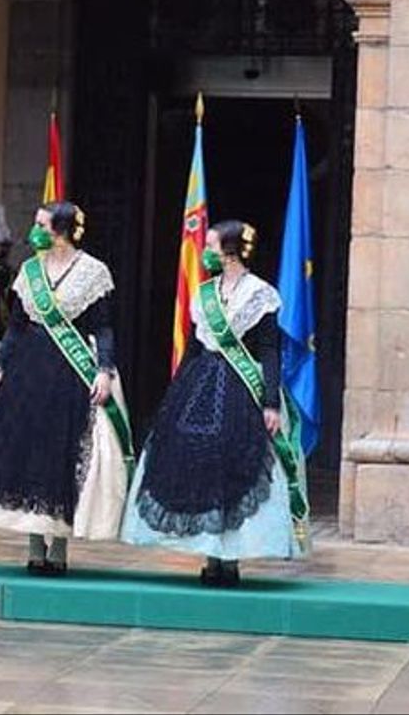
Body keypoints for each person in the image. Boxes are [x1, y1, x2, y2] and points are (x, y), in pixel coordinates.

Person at [121, 220, 308, 586]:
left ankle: (232, 557)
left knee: (237, 469)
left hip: (243, 392)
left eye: (210, 244)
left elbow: (270, 351)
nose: (205, 249)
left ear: (231, 249)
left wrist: (270, 402)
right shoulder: (204, 293)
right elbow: (194, 347)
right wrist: (175, 395)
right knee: (203, 470)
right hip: (201, 386)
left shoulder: (261, 294)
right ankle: (210, 555)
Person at [0, 202, 129, 575]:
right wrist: (0, 366)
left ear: (60, 229)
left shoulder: (93, 272)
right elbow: (15, 326)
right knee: (28, 453)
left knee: (60, 455)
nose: (34, 230)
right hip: (28, 371)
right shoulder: (30, 272)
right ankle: (34, 545)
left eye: (41, 224)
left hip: (71, 373)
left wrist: (105, 370)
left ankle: (59, 546)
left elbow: (104, 327)